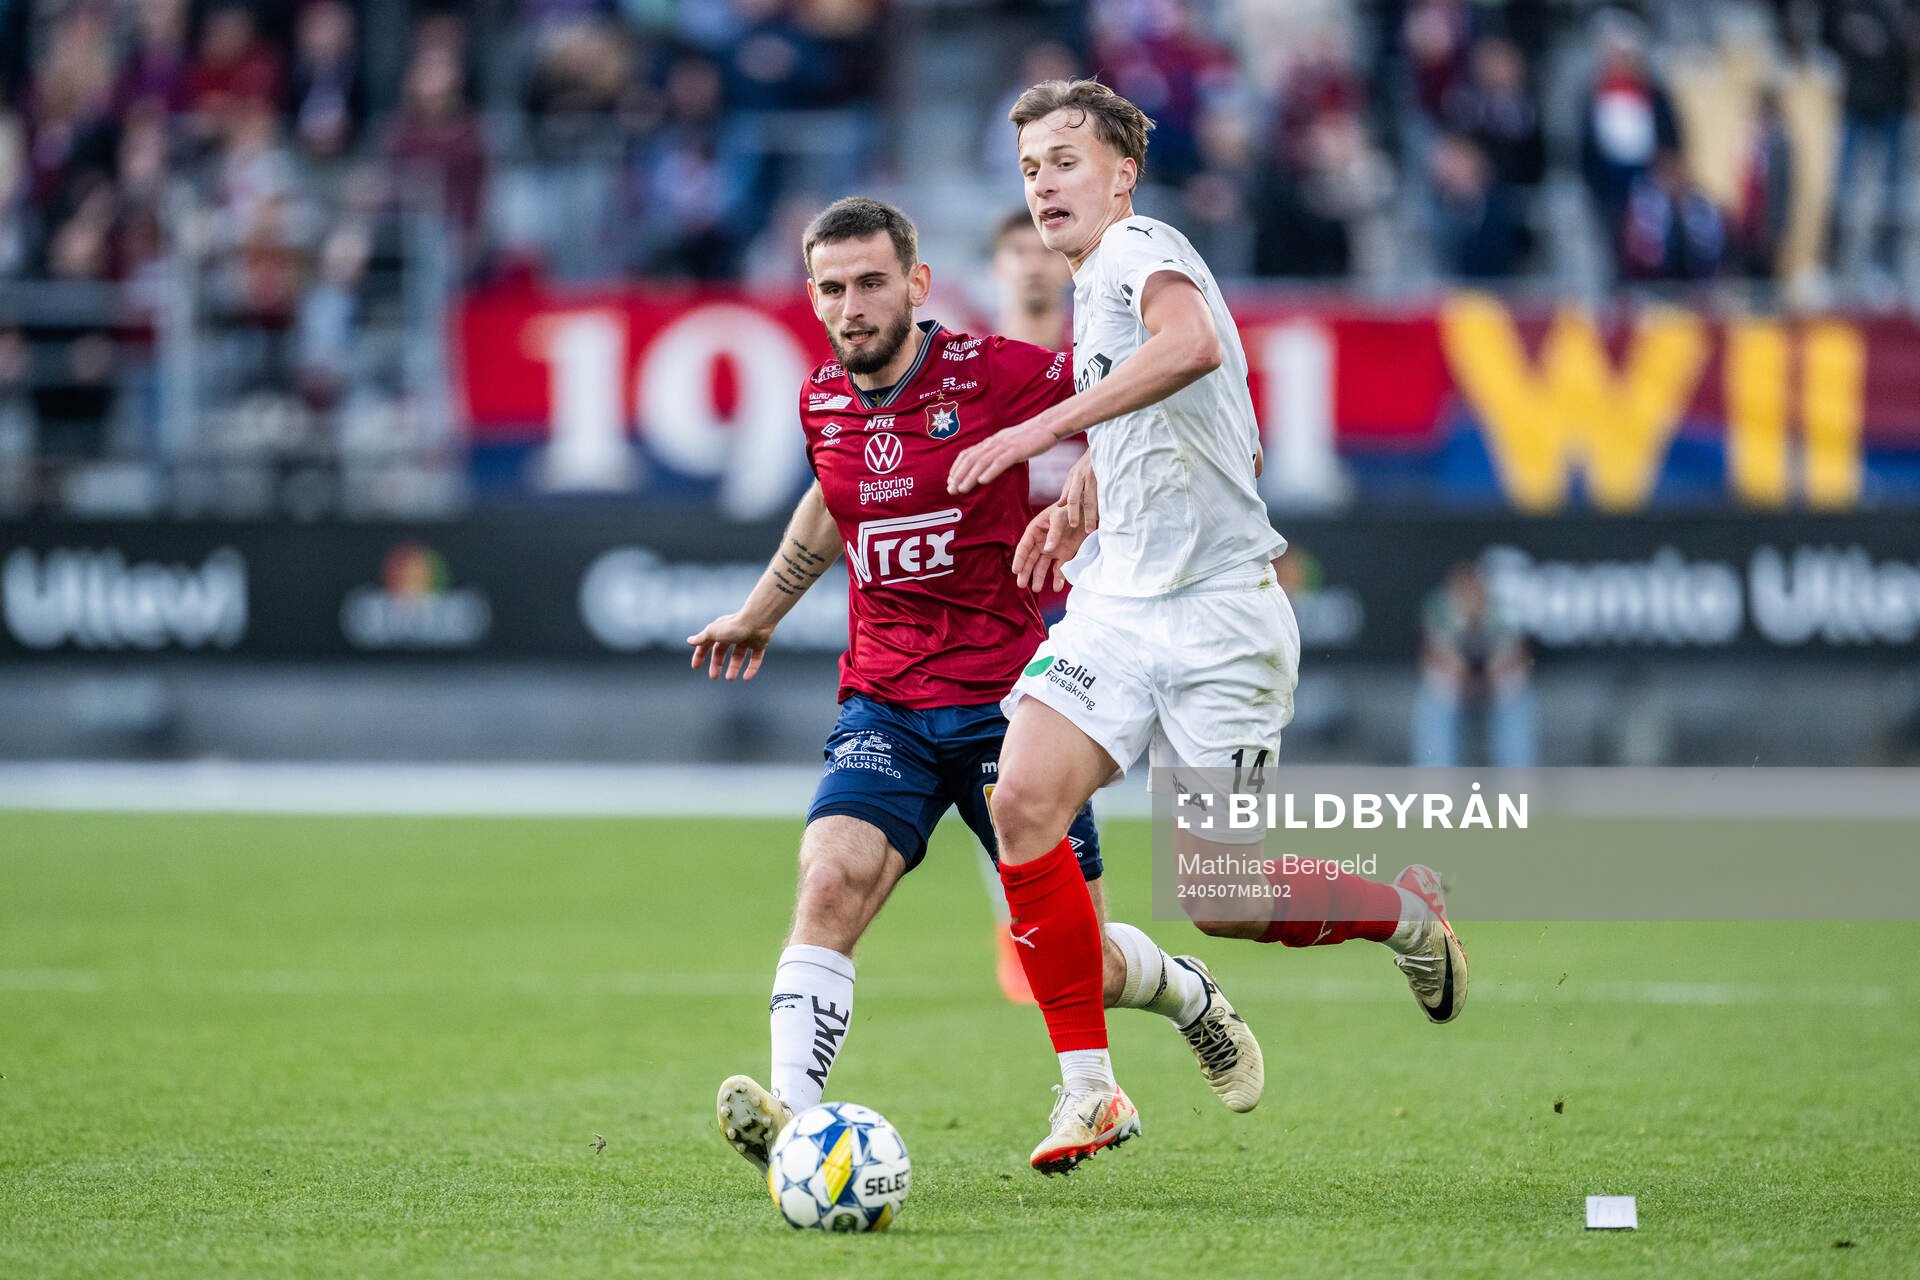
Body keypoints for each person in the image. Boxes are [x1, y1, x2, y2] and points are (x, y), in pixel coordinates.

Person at [948, 78, 1469, 1174]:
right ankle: (1089, 1090)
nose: (1043, 183)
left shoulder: (1140, 248)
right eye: (1031, 166)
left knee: (1224, 900)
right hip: (1118, 608)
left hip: (1223, 615)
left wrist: (1038, 434)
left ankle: (1403, 915)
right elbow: (1193, 416)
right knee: (1023, 800)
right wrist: (1087, 488)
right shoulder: (1096, 287)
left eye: (1066, 160)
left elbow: (1187, 346)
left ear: (1123, 175)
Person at [690, 197, 1262, 1180]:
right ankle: (799, 1123)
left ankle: (1186, 993)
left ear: (917, 284)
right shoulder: (821, 397)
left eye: (873, 282)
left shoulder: (990, 370)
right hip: (885, 701)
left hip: (1012, 703)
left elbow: (1139, 384)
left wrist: (1104, 477)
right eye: (833, 288)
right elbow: (834, 499)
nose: (853, 305)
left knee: (1076, 962)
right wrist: (763, 608)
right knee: (829, 877)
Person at [976, 208, 1078, 1005]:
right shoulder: (971, 376)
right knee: (1006, 781)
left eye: (1046, 249)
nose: (1035, 264)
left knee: (1058, 786)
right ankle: (1025, 931)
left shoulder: (1096, 366)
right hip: (1001, 606)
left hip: (1091, 603)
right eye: (1019, 250)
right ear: (997, 267)